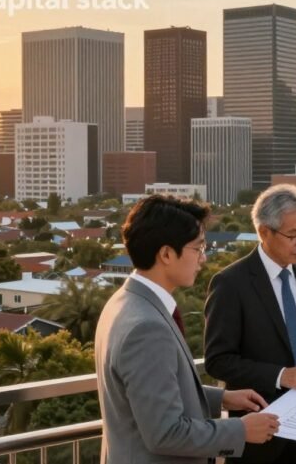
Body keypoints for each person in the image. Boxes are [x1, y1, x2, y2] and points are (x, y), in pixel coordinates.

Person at [95, 195, 279, 464]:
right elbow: (165, 432)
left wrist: (222, 399)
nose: (203, 258)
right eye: (198, 248)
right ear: (167, 254)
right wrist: (241, 430)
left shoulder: (124, 301)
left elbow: (153, 393)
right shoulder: (146, 328)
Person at [204, 184, 296, 464]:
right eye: (294, 235)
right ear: (264, 232)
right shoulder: (230, 283)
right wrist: (280, 375)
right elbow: (218, 360)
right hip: (260, 430)